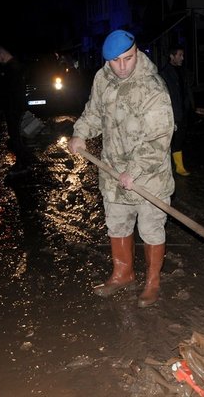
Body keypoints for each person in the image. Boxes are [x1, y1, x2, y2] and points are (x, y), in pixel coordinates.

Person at [67, 29, 175, 308]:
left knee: (151, 228)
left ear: (137, 52)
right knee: (117, 223)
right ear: (107, 61)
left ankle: (152, 282)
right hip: (113, 171)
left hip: (149, 177)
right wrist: (80, 133)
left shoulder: (152, 88)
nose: (123, 66)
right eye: (116, 61)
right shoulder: (103, 79)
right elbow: (94, 112)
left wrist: (135, 171)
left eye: (128, 58)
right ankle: (122, 273)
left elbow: (159, 138)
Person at [0, 44, 33, 178]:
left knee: (16, 137)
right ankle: (22, 163)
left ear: (2, 52)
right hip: (15, 108)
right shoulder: (15, 67)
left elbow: (11, 91)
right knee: (16, 137)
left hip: (14, 108)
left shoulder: (13, 68)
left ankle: (23, 164)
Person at [159, 45, 195, 176]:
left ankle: (180, 167)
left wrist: (191, 107)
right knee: (168, 141)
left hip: (183, 111)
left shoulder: (183, 71)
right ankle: (166, 168)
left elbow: (186, 90)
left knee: (180, 139)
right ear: (172, 56)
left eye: (183, 55)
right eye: (180, 55)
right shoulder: (164, 73)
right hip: (172, 113)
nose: (182, 58)